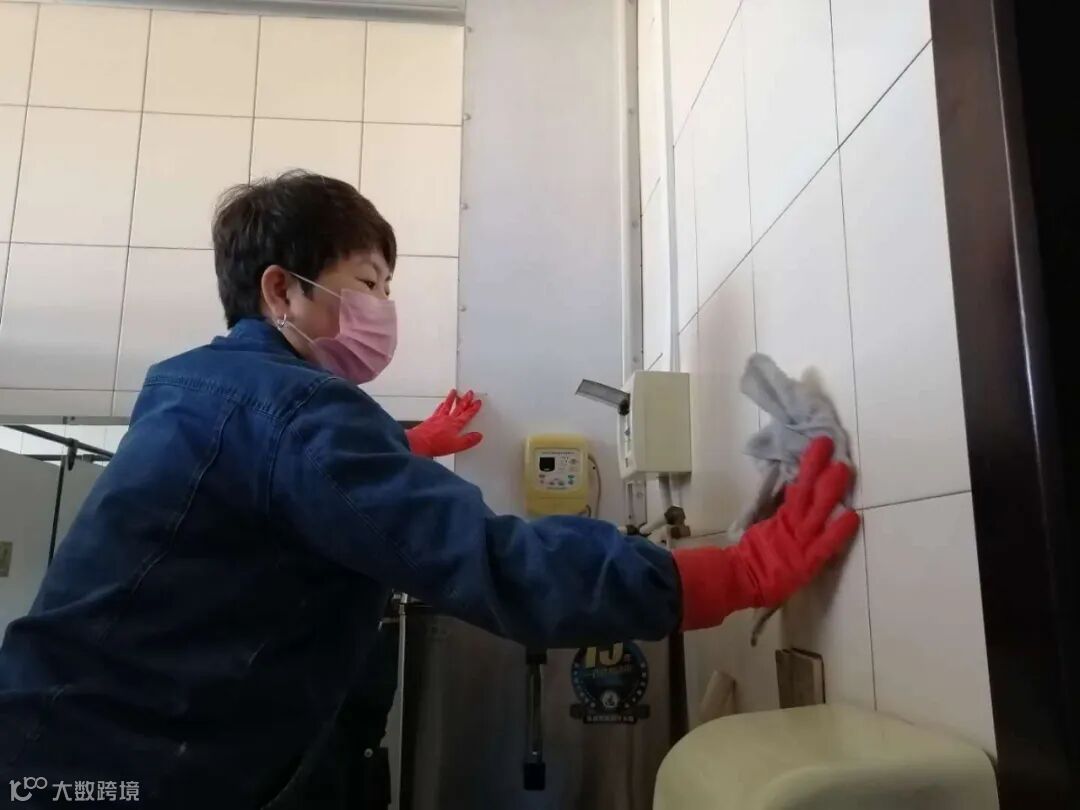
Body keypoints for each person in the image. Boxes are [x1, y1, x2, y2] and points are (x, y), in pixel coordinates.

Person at [0, 171, 859, 808]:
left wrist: (401, 446)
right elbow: (487, 559)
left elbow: (251, 504)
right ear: (281, 290)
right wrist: (734, 573)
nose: (383, 306)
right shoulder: (293, 407)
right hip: (110, 771)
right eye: (366, 282)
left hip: (56, 751)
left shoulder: (200, 389)